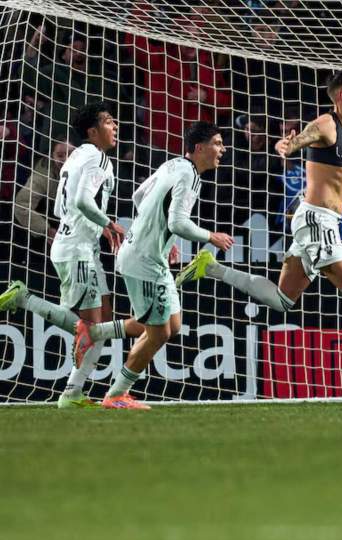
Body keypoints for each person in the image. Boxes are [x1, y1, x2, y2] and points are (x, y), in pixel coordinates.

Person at [175, 69, 342, 384]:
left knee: (282, 299)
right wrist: (287, 144)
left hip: (321, 221)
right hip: (316, 219)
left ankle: (211, 267)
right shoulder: (326, 123)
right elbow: (298, 141)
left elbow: (335, 166)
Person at [77, 122, 234, 409]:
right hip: (144, 261)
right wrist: (211, 236)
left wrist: (161, 234)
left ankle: (95, 332)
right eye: (217, 143)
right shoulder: (190, 176)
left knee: (172, 325)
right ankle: (116, 395)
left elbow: (139, 196)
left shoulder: (173, 165)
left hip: (146, 255)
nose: (222, 149)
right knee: (158, 333)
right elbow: (178, 222)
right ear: (199, 148)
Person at [0, 102, 143, 408]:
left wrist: (98, 227)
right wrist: (108, 223)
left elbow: (59, 207)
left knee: (103, 321)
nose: (115, 126)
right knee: (90, 329)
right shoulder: (96, 158)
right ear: (92, 131)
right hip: (76, 248)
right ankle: (24, 298)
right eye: (108, 122)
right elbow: (80, 200)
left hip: (82, 245)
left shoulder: (77, 156)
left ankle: (72, 392)